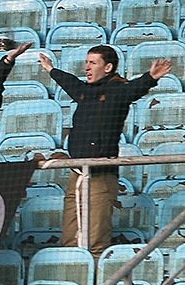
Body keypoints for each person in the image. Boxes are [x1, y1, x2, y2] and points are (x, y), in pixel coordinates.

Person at [40, 45, 172, 257]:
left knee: (95, 241)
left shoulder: (117, 90)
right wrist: (51, 69)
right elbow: (69, 82)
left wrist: (150, 77)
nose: (86, 67)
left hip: (101, 174)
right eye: (86, 62)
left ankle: (97, 275)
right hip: (77, 172)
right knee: (69, 239)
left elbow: (134, 89)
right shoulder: (84, 91)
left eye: (92, 63)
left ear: (108, 67)